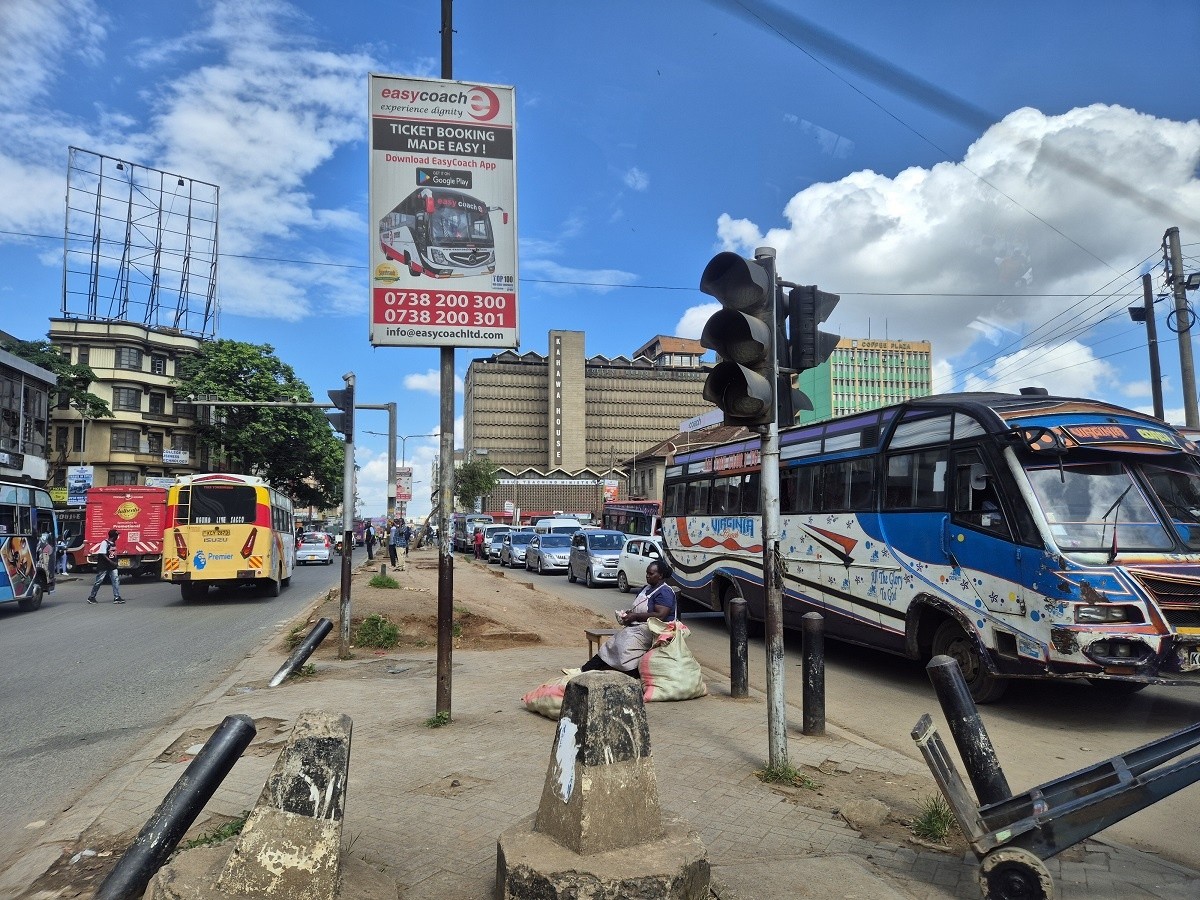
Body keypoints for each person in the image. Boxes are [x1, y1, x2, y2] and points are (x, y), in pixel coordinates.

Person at [581, 560, 676, 676]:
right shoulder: (645, 588)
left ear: (660, 575)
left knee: (625, 645)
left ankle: (632, 673)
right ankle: (585, 670)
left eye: (651, 574)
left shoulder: (665, 592)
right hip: (638, 627)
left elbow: (661, 615)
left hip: (654, 630)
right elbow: (638, 609)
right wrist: (628, 615)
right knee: (612, 643)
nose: (647, 576)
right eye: (647, 573)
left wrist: (635, 616)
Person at [87, 528, 124, 604]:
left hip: (112, 566)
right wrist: (111, 562)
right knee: (99, 581)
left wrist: (115, 562)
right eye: (117, 535)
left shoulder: (113, 543)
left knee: (115, 580)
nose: (118, 537)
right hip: (104, 566)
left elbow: (113, 554)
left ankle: (117, 597)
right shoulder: (104, 543)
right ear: (114, 536)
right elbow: (103, 554)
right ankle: (92, 597)